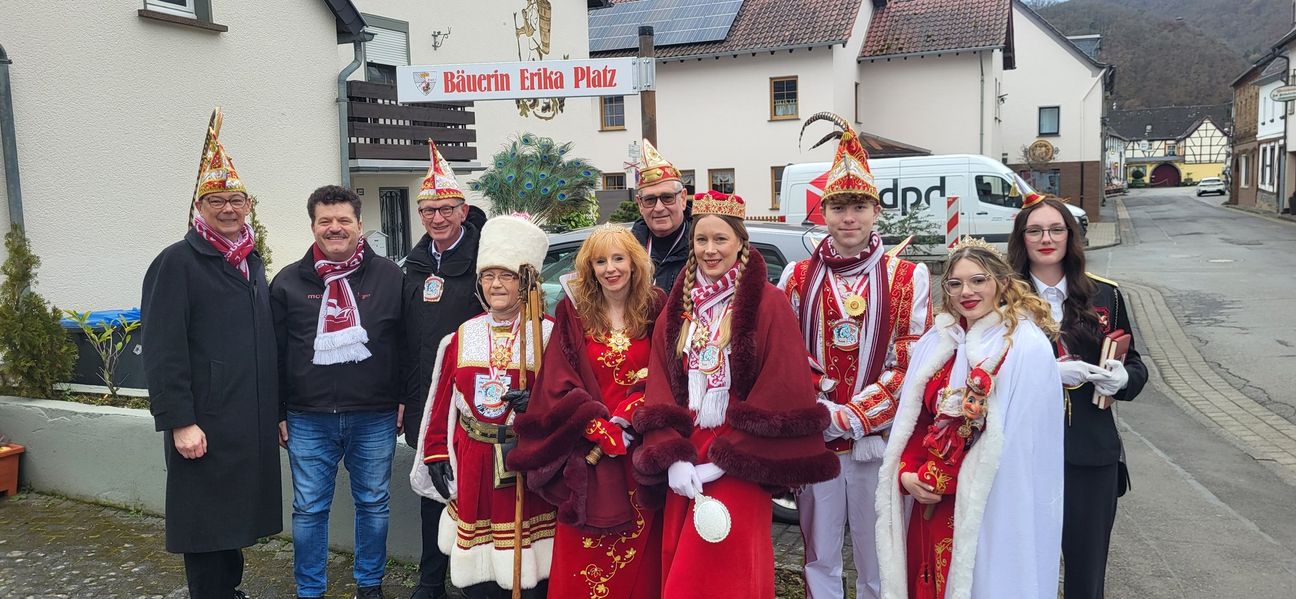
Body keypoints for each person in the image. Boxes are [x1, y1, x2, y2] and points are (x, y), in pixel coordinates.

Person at [632, 191, 840, 599]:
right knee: (684, 567)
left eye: (720, 239)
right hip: (688, 456)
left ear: (741, 243)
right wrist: (671, 455)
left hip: (739, 459)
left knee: (727, 563)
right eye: (701, 240)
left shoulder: (769, 304)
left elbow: (781, 388)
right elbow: (659, 381)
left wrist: (727, 461)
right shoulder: (679, 307)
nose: (710, 250)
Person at [779, 113, 931, 599]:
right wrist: (823, 408)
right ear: (823, 212)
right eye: (839, 207)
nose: (849, 218)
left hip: (878, 443)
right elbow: (787, 356)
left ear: (876, 211)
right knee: (819, 555)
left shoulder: (909, 276)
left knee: (878, 555)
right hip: (817, 438)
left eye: (859, 207)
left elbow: (911, 361)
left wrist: (855, 417)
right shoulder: (798, 277)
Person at [140, 110, 280, 599]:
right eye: (216, 200)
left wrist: (275, 412)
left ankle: (230, 590)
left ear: (248, 205)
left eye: (236, 199)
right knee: (205, 524)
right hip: (203, 422)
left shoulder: (250, 260)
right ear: (199, 206)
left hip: (248, 420)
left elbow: (263, 341)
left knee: (234, 520)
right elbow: (162, 350)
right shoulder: (176, 262)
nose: (228, 208)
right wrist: (180, 420)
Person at [875, 238, 1064, 599]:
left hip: (990, 504)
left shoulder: (1024, 344)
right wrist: (907, 475)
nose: (967, 292)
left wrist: (963, 475)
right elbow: (914, 423)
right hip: (932, 497)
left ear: (1001, 282)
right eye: (956, 283)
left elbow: (1025, 445)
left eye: (978, 280)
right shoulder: (938, 341)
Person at [270, 185, 419, 599]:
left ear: (359, 225)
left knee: (373, 505)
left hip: (374, 415)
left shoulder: (391, 277)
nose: (335, 228)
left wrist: (405, 398)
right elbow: (276, 354)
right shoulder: (287, 283)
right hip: (306, 416)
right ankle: (310, 591)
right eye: (325, 221)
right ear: (313, 226)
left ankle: (369, 586)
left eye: (343, 221)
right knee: (309, 510)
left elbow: (407, 345)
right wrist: (278, 411)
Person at [509, 225, 667, 598]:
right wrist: (593, 424)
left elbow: (668, 370)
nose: (610, 268)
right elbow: (557, 378)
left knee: (640, 551)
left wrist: (632, 414)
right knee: (583, 552)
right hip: (588, 453)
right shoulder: (573, 311)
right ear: (589, 268)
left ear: (634, 262)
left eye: (618, 258)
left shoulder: (657, 306)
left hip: (640, 449)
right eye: (600, 261)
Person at [1007, 194, 1148, 599]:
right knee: (1025, 571)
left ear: (1071, 236)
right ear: (1022, 239)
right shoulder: (1000, 299)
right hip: (1023, 453)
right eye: (1034, 230)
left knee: (1087, 577)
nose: (1045, 238)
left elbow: (1137, 366)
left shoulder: (1105, 296)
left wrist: (1122, 378)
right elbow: (982, 373)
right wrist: (1044, 374)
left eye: (1056, 229)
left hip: (1091, 454)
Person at [411, 215, 557, 598]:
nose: (495, 285)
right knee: (480, 576)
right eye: (488, 276)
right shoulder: (463, 334)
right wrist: (437, 452)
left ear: (525, 283)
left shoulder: (549, 335)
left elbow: (568, 401)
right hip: (474, 462)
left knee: (530, 573)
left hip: (525, 462)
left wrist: (538, 408)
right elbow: (441, 402)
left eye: (507, 276)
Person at [402, 140, 489, 599]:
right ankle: (429, 578)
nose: (438, 218)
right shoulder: (412, 267)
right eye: (429, 210)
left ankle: (472, 574)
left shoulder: (483, 261)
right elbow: (405, 340)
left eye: (447, 209)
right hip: (425, 397)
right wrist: (405, 399)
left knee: (471, 484)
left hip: (476, 396)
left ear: (463, 209)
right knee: (431, 488)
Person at [630, 139, 692, 290]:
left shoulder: (705, 251)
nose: (658, 208)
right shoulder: (625, 251)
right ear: (640, 204)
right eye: (650, 200)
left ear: (682, 198)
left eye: (667, 197)